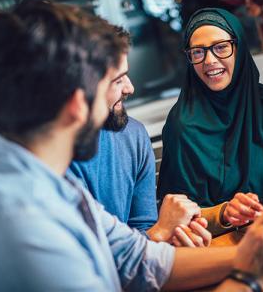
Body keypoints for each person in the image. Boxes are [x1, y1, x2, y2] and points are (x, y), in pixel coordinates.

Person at [0, 0, 263, 292]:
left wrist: (262, 252)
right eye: (114, 82)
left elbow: (139, 258)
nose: (130, 89)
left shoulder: (41, 178)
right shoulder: (29, 231)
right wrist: (250, 275)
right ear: (76, 102)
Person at [157, 7, 263, 233]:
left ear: (239, 48)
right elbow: (178, 218)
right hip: (217, 244)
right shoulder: (182, 125)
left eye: (220, 48)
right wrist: (226, 212)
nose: (209, 60)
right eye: (198, 52)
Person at [69, 31, 211, 246]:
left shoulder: (132, 134)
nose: (130, 88)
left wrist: (172, 235)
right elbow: (89, 258)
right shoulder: (55, 160)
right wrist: (162, 232)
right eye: (117, 80)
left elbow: (144, 229)